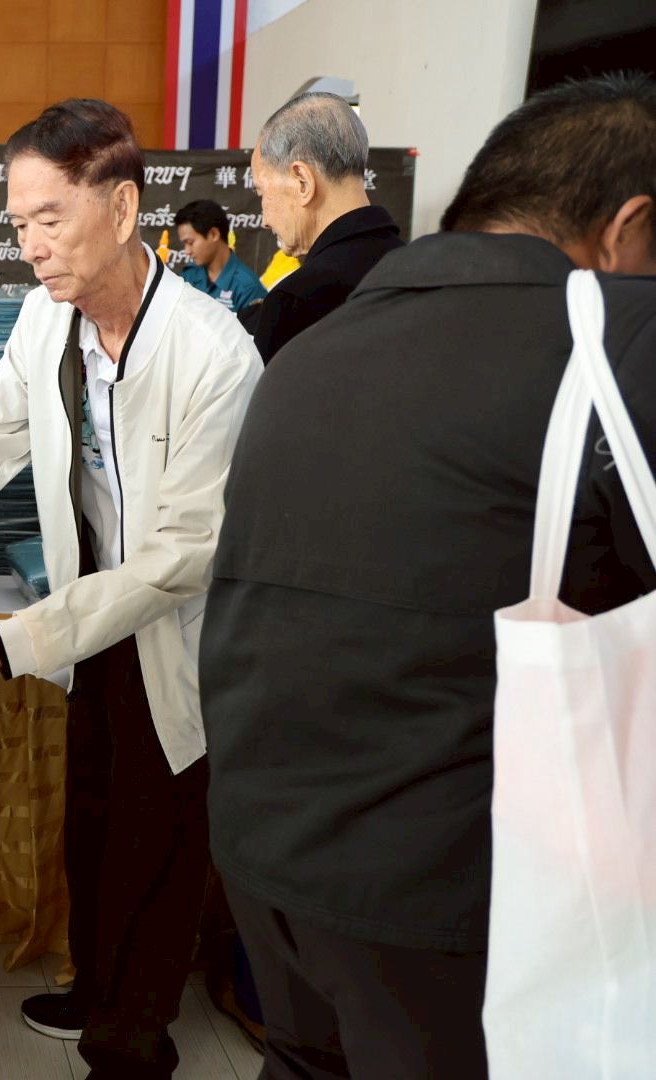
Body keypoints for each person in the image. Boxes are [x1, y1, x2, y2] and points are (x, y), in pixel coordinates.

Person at [201, 72, 656, 1080]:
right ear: (629, 228)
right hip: (450, 892)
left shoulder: (309, 347)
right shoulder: (611, 343)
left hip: (265, 853)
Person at [0, 99, 263, 1078]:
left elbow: (178, 560)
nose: (29, 246)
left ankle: (133, 1042)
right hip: (88, 628)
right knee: (92, 819)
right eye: (18, 222)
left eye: (49, 218)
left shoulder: (215, 354)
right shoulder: (48, 320)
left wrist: (3, 645)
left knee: (157, 843)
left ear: (120, 209)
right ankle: (95, 989)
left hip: (171, 635)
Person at [248, 92, 404, 362]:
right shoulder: (414, 270)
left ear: (302, 181)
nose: (264, 219)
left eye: (262, 193)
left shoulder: (297, 302)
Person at [175, 200, 266, 314]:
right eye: (184, 244)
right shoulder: (188, 276)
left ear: (214, 234)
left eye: (190, 242)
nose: (187, 251)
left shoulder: (248, 289)